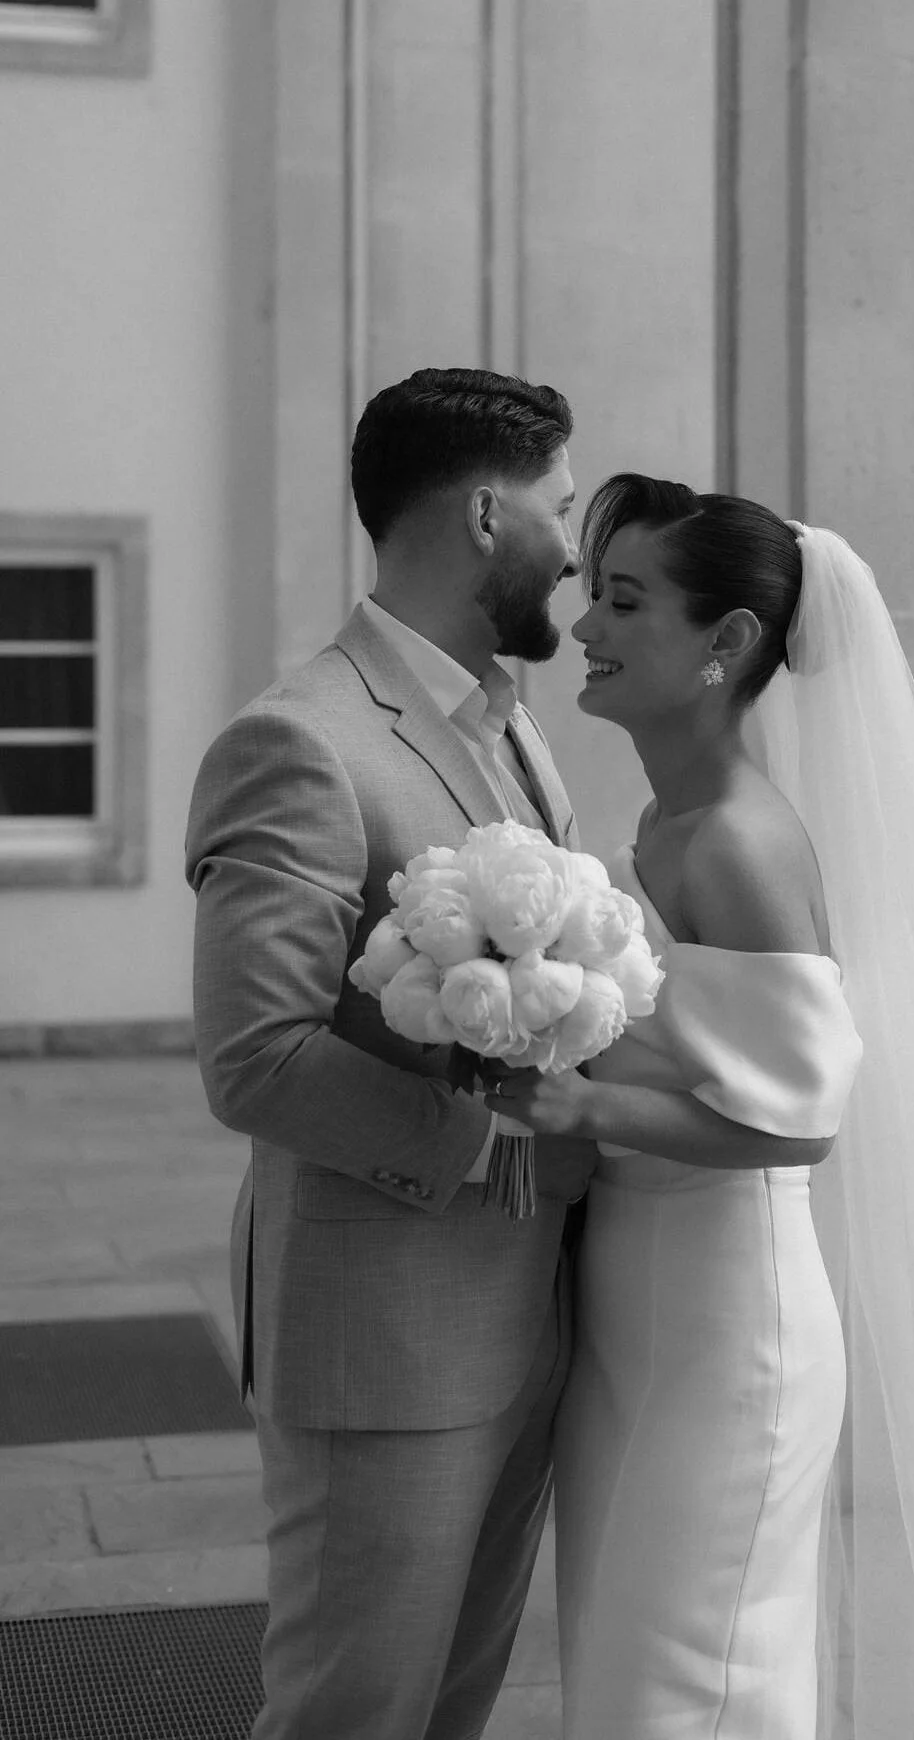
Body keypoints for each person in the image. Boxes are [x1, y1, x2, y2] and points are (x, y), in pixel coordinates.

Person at [486, 474, 914, 1739]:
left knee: (696, 1678)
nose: (585, 628)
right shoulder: (664, 820)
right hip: (643, 1302)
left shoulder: (735, 840)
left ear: (727, 645)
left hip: (730, 1325)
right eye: (594, 594)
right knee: (634, 1666)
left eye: (624, 602)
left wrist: (576, 1110)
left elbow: (800, 1122)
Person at [185, 367, 597, 1740]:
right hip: (386, 1344)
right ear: (487, 512)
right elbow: (257, 1055)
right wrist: (494, 1140)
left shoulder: (513, 721)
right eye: (558, 503)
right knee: (350, 1716)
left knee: (450, 1714)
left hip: (522, 1319)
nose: (574, 542)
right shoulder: (300, 739)